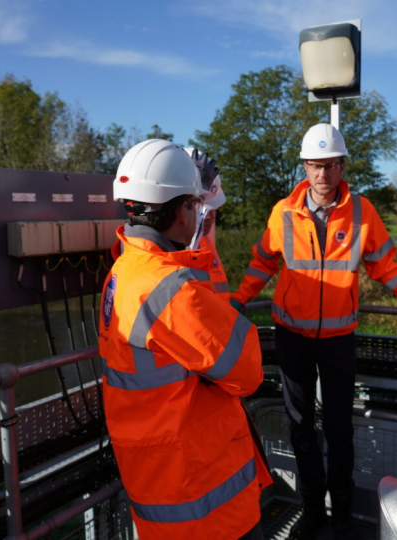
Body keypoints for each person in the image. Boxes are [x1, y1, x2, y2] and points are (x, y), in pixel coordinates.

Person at [230, 124, 397, 539]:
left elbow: (386, 266)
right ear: (305, 167)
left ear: (342, 166)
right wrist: (238, 300)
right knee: (299, 426)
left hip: (338, 340)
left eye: (330, 165)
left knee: (339, 429)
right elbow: (261, 263)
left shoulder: (362, 212)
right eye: (315, 165)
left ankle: (343, 515)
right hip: (291, 335)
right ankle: (313, 511)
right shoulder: (283, 212)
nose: (322, 174)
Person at [98, 139, 272, 539]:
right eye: (195, 205)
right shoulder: (171, 289)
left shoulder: (123, 272)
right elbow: (247, 372)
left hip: (157, 482)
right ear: (181, 210)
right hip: (206, 502)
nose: (199, 214)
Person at [184, 147, 229, 301]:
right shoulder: (166, 249)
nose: (210, 216)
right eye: (202, 207)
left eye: (214, 209)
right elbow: (183, 253)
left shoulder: (205, 242)